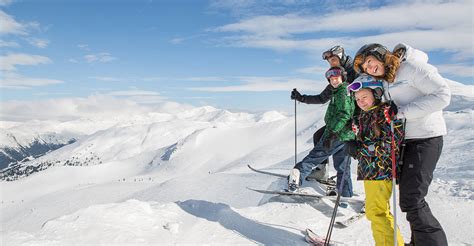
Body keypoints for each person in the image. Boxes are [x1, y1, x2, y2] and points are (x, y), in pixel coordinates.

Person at [353, 43, 450, 246]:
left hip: (426, 137)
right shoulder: (386, 80)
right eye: (365, 68)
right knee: (408, 200)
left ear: (380, 55)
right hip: (405, 141)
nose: (369, 69)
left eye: (370, 62)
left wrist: (403, 111)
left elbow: (442, 95)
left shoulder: (412, 67)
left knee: (413, 199)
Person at [346, 74, 405, 246]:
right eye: (357, 99)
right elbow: (368, 143)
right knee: (378, 212)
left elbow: (390, 145)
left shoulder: (386, 113)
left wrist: (360, 149)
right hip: (371, 172)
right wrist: (355, 144)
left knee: (376, 212)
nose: (360, 101)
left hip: (381, 172)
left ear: (377, 93)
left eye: (364, 97)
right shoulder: (366, 115)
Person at [288, 66, 355, 204]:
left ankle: (295, 180)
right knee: (342, 166)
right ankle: (345, 195)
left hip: (335, 133)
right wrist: (301, 98)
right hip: (346, 135)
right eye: (331, 79)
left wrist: (332, 133)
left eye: (336, 78)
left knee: (315, 156)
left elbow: (344, 115)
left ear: (343, 77)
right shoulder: (340, 90)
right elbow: (320, 98)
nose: (334, 81)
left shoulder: (342, 92)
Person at [292, 45, 358, 182]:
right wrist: (301, 98)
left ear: (342, 58)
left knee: (341, 152)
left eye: (334, 59)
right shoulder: (335, 77)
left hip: (353, 123)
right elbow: (322, 98)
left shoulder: (355, 74)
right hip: (341, 124)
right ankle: (324, 172)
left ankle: (361, 191)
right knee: (319, 136)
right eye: (329, 61)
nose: (331, 63)